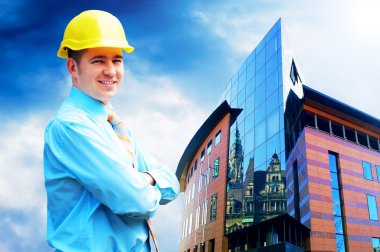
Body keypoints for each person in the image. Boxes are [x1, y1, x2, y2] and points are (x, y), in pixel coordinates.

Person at [43, 10, 180, 251]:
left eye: (116, 60)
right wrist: (145, 182)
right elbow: (138, 201)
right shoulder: (73, 127)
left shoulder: (113, 125)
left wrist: (145, 179)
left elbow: (172, 184)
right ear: (73, 67)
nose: (111, 71)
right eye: (98, 60)